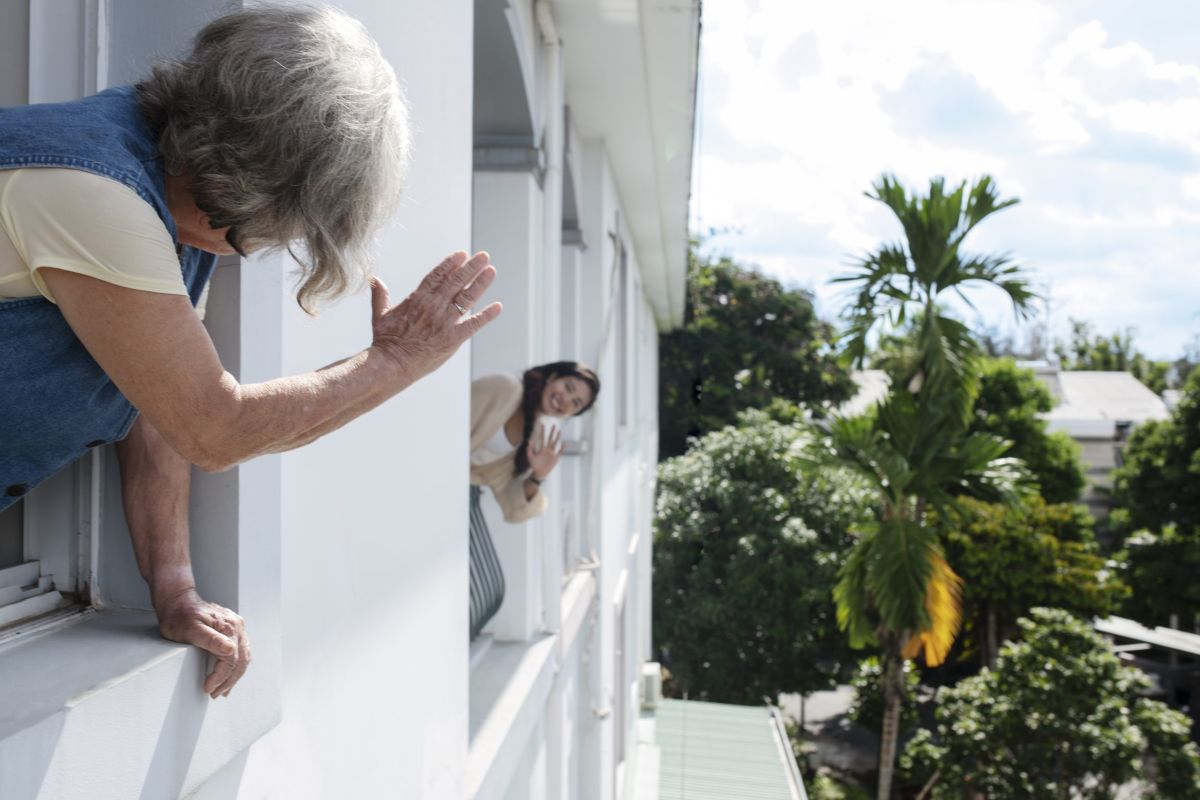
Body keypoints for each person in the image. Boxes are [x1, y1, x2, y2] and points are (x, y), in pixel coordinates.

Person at [0, 7, 500, 698]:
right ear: (257, 188)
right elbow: (209, 425)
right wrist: (391, 365)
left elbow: (158, 403)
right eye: (293, 225)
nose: (280, 244)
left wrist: (173, 588)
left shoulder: (168, 198)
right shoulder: (92, 192)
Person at [470, 362, 600, 522]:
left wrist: (538, 476)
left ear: (571, 414)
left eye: (575, 403)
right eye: (568, 387)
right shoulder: (507, 387)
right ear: (552, 377)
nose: (565, 399)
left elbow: (512, 509)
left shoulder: (535, 441)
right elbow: (451, 415)